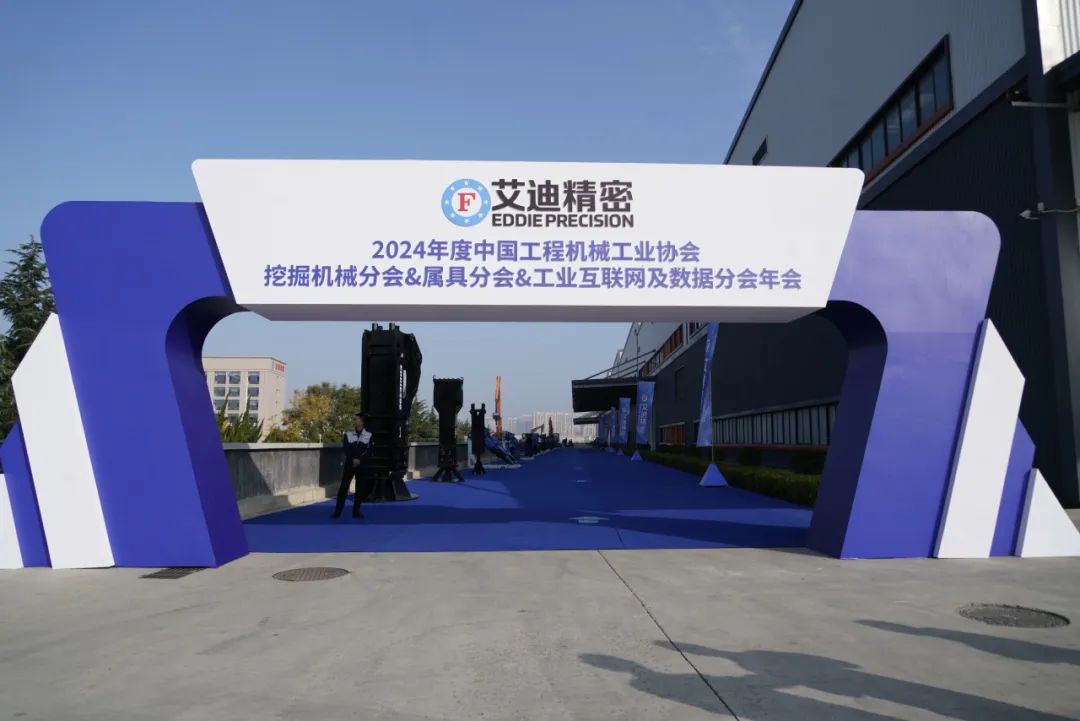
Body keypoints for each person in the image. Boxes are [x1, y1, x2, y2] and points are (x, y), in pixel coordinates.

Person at [333, 412, 374, 519]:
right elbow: (346, 449)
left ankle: (356, 511)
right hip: (349, 465)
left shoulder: (369, 435)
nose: (355, 421)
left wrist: (360, 460)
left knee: (360, 489)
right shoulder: (348, 434)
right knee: (343, 488)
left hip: (362, 465)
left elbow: (369, 451)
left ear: (362, 422)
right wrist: (353, 459)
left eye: (357, 419)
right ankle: (337, 511)